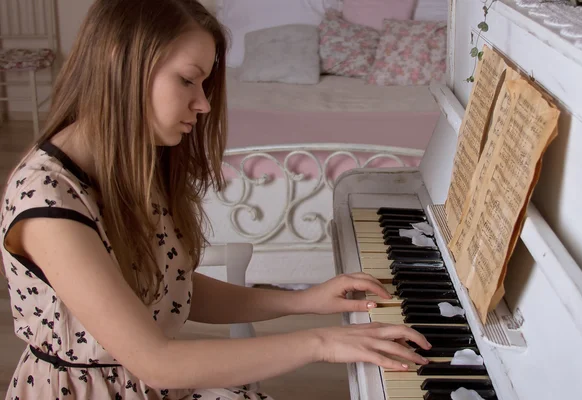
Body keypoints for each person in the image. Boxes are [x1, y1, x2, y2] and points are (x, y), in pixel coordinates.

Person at [0, 0, 431, 399]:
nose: (203, 104)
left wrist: (304, 300)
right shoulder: (49, 204)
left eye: (203, 84)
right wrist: (322, 342)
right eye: (188, 79)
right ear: (120, 62)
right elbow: (158, 363)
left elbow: (171, 290)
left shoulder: (130, 167)